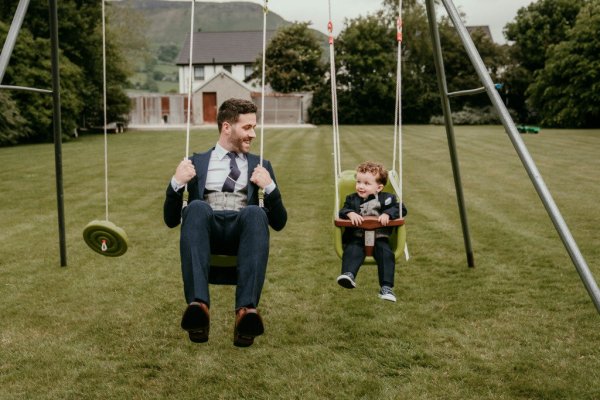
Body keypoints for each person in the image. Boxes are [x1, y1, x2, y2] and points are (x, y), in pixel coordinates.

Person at [163, 98, 287, 347]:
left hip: (242, 234)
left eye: (254, 127)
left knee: (255, 212)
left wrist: (270, 187)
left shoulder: (261, 166)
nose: (253, 134)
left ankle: (245, 314)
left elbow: (279, 222)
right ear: (227, 127)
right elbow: (170, 220)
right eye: (247, 127)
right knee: (196, 206)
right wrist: (176, 183)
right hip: (207, 233)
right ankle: (198, 308)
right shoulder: (195, 162)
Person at [336, 161, 407, 302]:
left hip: (380, 238)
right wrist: (350, 213)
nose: (361, 186)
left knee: (386, 254)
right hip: (357, 236)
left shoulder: (388, 198)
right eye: (359, 182)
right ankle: (348, 275)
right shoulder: (351, 199)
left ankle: (386, 288)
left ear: (379, 187)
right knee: (352, 250)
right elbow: (342, 211)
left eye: (367, 183)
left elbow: (401, 209)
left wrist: (387, 214)